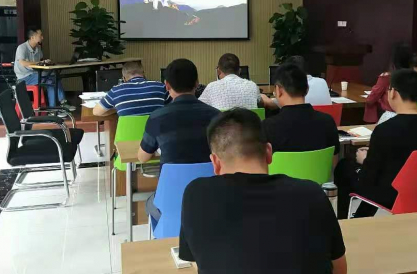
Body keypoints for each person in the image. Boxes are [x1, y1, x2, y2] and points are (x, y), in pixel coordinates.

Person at [178, 108, 347, 274]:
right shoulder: (311, 193)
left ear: (215, 162)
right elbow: (339, 268)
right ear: (269, 152)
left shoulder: (196, 195)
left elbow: (201, 262)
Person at [334, 69, 417, 219]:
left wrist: (364, 159)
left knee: (344, 167)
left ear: (393, 93)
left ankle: (345, 222)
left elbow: (369, 177)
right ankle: (361, 216)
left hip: (391, 194)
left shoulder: (385, 130)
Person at [138, 58, 221, 230]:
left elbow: (143, 157)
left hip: (170, 200)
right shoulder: (217, 116)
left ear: (167, 85)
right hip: (212, 199)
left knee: (151, 204)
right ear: (197, 83)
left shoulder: (157, 117)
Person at [261, 63, 340, 158]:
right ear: (307, 89)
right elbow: (333, 161)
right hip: (318, 168)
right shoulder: (328, 122)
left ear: (279, 90)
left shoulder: (267, 127)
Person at [14, 27, 72, 109]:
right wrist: (40, 62)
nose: (42, 37)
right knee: (51, 80)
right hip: (24, 78)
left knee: (54, 77)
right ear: (32, 37)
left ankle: (59, 105)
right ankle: (57, 106)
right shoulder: (22, 48)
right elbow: (23, 63)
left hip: (35, 74)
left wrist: (46, 62)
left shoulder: (38, 48)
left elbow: (40, 62)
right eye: (40, 35)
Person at [93, 61, 167, 117]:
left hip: (127, 133)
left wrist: (117, 109)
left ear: (123, 78)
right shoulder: (160, 86)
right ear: (143, 74)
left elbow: (96, 112)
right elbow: (171, 106)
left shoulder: (116, 90)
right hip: (156, 132)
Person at [364, 43, 414, 123]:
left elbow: (370, 100)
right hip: (411, 117)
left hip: (389, 116)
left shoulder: (387, 77)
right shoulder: (415, 78)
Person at [260, 55, 332, 109]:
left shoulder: (293, 85)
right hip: (324, 122)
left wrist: (261, 96)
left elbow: (269, 103)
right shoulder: (322, 81)